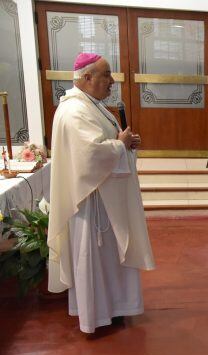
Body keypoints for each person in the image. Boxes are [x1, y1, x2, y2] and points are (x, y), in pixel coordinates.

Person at [48, 53, 154, 334]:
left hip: (105, 197)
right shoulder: (74, 111)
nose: (112, 80)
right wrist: (119, 145)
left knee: (110, 259)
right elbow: (90, 155)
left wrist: (125, 144)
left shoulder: (93, 106)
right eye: (106, 75)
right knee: (96, 260)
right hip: (92, 203)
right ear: (87, 78)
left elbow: (105, 143)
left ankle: (115, 306)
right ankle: (97, 314)